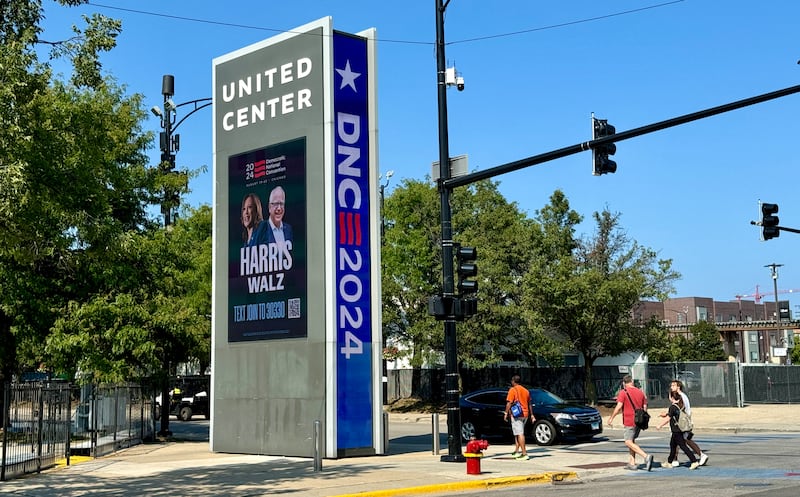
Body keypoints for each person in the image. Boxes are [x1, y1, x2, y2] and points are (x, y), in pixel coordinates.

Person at [607, 375, 654, 471]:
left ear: (624, 383)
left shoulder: (623, 392)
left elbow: (619, 406)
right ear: (632, 382)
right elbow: (645, 407)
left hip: (629, 420)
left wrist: (611, 418)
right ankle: (632, 463)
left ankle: (646, 456)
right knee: (632, 441)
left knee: (628, 442)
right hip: (639, 421)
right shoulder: (640, 392)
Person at [664, 379, 708, 466]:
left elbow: (680, 410)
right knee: (678, 440)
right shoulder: (679, 396)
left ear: (678, 387)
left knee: (684, 440)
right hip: (681, 422)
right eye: (671, 386)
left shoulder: (681, 396)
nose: (671, 387)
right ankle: (674, 459)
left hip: (682, 423)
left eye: (673, 386)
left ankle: (700, 455)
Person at [657, 390, 700, 470]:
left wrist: (660, 425)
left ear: (672, 398)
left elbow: (668, 418)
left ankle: (694, 461)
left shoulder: (672, 407)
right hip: (680, 429)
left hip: (676, 430)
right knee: (673, 446)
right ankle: (669, 462)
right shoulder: (681, 405)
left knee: (683, 446)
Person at [503, 375, 532, 460]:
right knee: (517, 433)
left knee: (520, 433)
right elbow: (529, 403)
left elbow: (509, 403)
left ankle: (524, 453)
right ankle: (517, 451)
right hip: (525, 414)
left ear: (513, 381)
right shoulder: (526, 390)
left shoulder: (512, 390)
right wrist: (532, 414)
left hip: (517, 414)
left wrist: (505, 413)